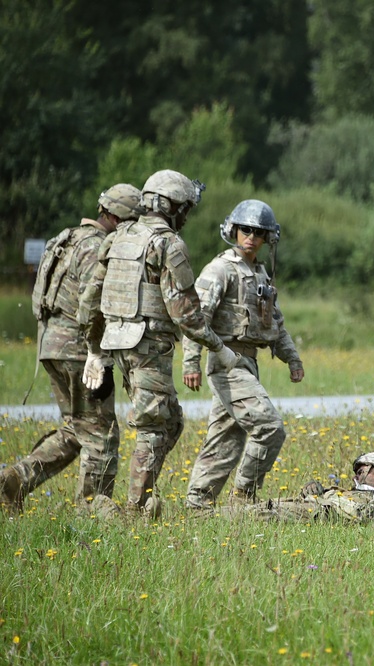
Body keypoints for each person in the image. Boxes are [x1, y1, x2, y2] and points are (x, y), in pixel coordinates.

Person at [78, 169, 240, 518]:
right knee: (153, 426)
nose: (186, 216)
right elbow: (185, 312)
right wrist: (219, 348)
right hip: (148, 346)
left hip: (119, 342)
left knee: (171, 422)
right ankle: (135, 511)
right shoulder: (168, 243)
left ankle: (142, 494)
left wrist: (95, 349)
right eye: (185, 208)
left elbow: (90, 299)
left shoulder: (119, 237)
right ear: (170, 206)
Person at [0, 185, 143, 516]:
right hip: (81, 352)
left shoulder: (64, 239)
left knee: (76, 429)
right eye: (130, 222)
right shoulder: (97, 248)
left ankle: (15, 479)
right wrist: (100, 358)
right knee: (101, 434)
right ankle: (93, 511)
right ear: (116, 217)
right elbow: (93, 307)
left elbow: (39, 298)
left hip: (52, 345)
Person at [182, 200, 304, 508]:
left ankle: (198, 504)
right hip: (226, 361)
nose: (250, 236)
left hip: (248, 363)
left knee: (226, 436)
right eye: (245, 230)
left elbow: (274, 323)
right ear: (233, 231)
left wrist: (292, 358)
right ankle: (243, 497)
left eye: (258, 232)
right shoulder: (221, 269)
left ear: (267, 238)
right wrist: (190, 362)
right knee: (269, 428)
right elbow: (196, 317)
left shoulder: (260, 275)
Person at [216, 452, 374, 523]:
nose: (355, 475)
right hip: (302, 507)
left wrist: (330, 497)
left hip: (312, 513)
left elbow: (363, 515)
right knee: (248, 509)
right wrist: (316, 489)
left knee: (247, 514)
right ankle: (205, 514)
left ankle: (203, 515)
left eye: (361, 471)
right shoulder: (353, 492)